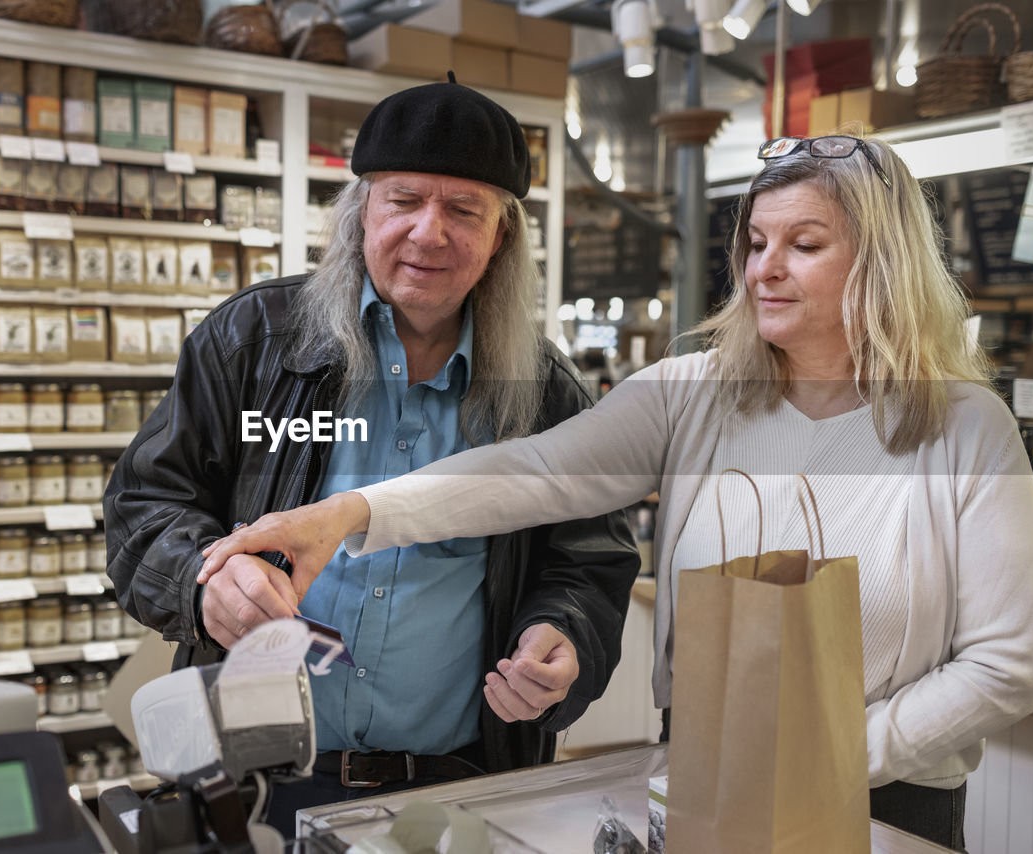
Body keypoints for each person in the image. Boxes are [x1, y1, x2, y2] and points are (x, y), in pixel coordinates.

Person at [200, 133, 1033, 849]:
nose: (764, 271)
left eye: (805, 246)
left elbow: (1009, 663)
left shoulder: (966, 428)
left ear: (883, 261)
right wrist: (351, 512)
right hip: (702, 780)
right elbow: (531, 473)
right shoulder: (690, 395)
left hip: (886, 804)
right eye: (754, 244)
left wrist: (834, 756)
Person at [103, 75, 641, 836]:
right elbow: (140, 509)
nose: (429, 233)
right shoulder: (253, 342)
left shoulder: (545, 391)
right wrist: (201, 581)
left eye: (463, 210)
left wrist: (564, 634)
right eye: (404, 201)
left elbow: (589, 558)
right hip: (256, 787)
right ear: (361, 214)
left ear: (501, 239)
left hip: (460, 790)